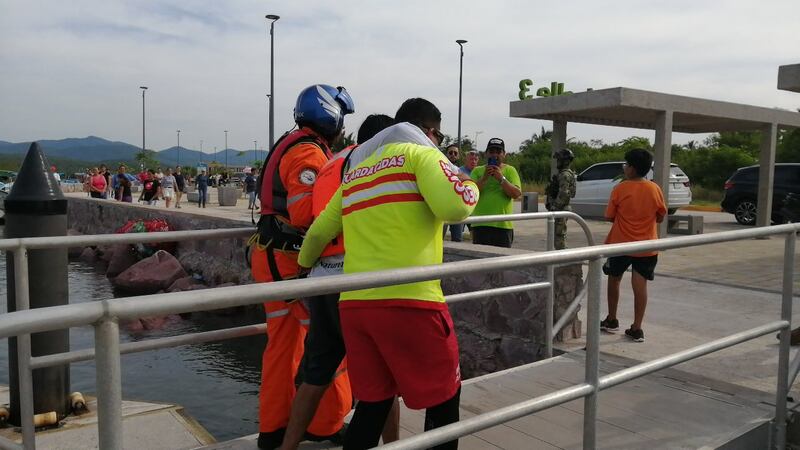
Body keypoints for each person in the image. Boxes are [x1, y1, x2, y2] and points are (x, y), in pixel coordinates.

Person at [298, 98, 479, 450]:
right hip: (412, 302)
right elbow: (456, 206)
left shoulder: (356, 173)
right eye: (438, 136)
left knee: (373, 403)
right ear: (429, 132)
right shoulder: (421, 156)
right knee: (444, 398)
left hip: (356, 306)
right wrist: (465, 179)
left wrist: (303, 266)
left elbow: (319, 232)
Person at [279, 114, 398, 450]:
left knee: (317, 370)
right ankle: (394, 446)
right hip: (356, 280)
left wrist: (304, 268)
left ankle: (287, 446)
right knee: (382, 378)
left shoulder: (331, 162)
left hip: (321, 279)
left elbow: (316, 225)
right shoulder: (376, 164)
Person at [250, 84, 355, 450]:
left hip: (273, 257)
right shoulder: (308, 153)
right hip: (290, 261)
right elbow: (304, 212)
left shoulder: (293, 143)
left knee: (283, 346)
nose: (342, 126)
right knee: (327, 342)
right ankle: (326, 424)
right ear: (330, 115)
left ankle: (274, 429)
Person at [600, 148, 667, 343]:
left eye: (626, 164)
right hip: (646, 246)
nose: (624, 167)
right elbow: (661, 216)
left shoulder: (620, 189)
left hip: (620, 245)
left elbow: (609, 216)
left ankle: (612, 319)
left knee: (614, 280)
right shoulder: (655, 189)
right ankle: (637, 328)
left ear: (632, 168)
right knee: (640, 285)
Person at [469, 138, 522, 247]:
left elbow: (516, 194)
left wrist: (501, 179)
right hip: (480, 224)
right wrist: (484, 178)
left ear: (504, 154)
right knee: (480, 260)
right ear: (486, 154)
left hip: (503, 225)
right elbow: (470, 193)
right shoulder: (477, 171)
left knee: (502, 261)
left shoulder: (510, 170)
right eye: (491, 152)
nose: (494, 155)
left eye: (498, 152)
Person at [545, 149, 577, 249]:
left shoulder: (565, 175)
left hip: (561, 209)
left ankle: (563, 260)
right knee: (557, 237)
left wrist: (554, 206)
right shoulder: (564, 174)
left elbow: (564, 193)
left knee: (559, 238)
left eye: (559, 160)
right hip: (561, 208)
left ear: (566, 161)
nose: (557, 162)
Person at [443, 144, 465, 242]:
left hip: (456, 209)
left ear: (458, 156)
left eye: (455, 153)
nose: (453, 155)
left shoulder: (461, 171)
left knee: (457, 239)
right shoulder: (440, 167)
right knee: (439, 239)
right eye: (450, 153)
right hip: (442, 209)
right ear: (446, 154)